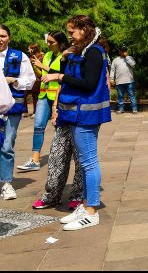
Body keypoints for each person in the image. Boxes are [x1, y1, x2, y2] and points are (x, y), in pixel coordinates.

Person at [43, 15, 111, 230]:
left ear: (84, 30)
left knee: (89, 163)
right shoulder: (83, 50)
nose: (70, 36)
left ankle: (91, 211)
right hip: (77, 115)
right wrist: (64, 59)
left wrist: (60, 77)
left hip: (86, 116)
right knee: (85, 162)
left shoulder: (93, 52)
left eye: (72, 31)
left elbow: (89, 84)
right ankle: (85, 204)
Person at [18, 31, 69, 173]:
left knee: (60, 128)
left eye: (51, 42)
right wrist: (36, 66)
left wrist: (44, 66)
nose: (48, 44)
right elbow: (43, 75)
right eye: (48, 41)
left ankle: (64, 155)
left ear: (60, 42)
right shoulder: (47, 55)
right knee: (38, 126)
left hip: (58, 96)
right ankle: (35, 159)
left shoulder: (65, 55)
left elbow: (62, 75)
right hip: (43, 95)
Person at [0, 24, 37, 200]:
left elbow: (30, 80)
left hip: (12, 107)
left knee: (7, 145)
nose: (0, 39)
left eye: (3, 36)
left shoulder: (19, 56)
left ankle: (7, 183)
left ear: (9, 37)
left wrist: (13, 80)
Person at [110, 46, 137, 114]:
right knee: (120, 96)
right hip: (119, 81)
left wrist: (127, 57)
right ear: (119, 52)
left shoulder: (130, 58)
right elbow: (112, 70)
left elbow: (133, 64)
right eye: (122, 51)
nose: (123, 52)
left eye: (125, 51)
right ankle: (121, 109)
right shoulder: (115, 60)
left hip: (129, 81)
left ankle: (134, 109)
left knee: (132, 95)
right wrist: (111, 79)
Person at [26, 43, 44, 117]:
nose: (28, 50)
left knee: (35, 95)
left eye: (29, 48)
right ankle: (26, 110)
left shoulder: (40, 56)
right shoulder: (30, 56)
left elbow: (38, 67)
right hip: (30, 78)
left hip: (38, 78)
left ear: (33, 49)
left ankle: (36, 112)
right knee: (26, 94)